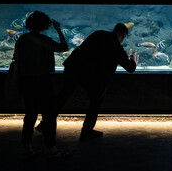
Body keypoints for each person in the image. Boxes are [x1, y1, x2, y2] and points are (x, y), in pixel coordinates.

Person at [37, 23, 138, 141]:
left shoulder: (98, 33)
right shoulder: (116, 46)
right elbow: (130, 68)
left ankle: (44, 125)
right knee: (96, 100)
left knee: (63, 96)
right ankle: (86, 131)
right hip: (89, 74)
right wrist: (132, 60)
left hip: (73, 67)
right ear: (123, 35)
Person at [14, 11, 69, 159]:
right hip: (42, 81)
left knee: (30, 114)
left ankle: (27, 147)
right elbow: (63, 47)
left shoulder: (22, 39)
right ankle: (51, 149)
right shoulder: (42, 39)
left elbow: (16, 59)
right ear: (44, 25)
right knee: (49, 115)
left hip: (25, 80)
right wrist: (58, 30)